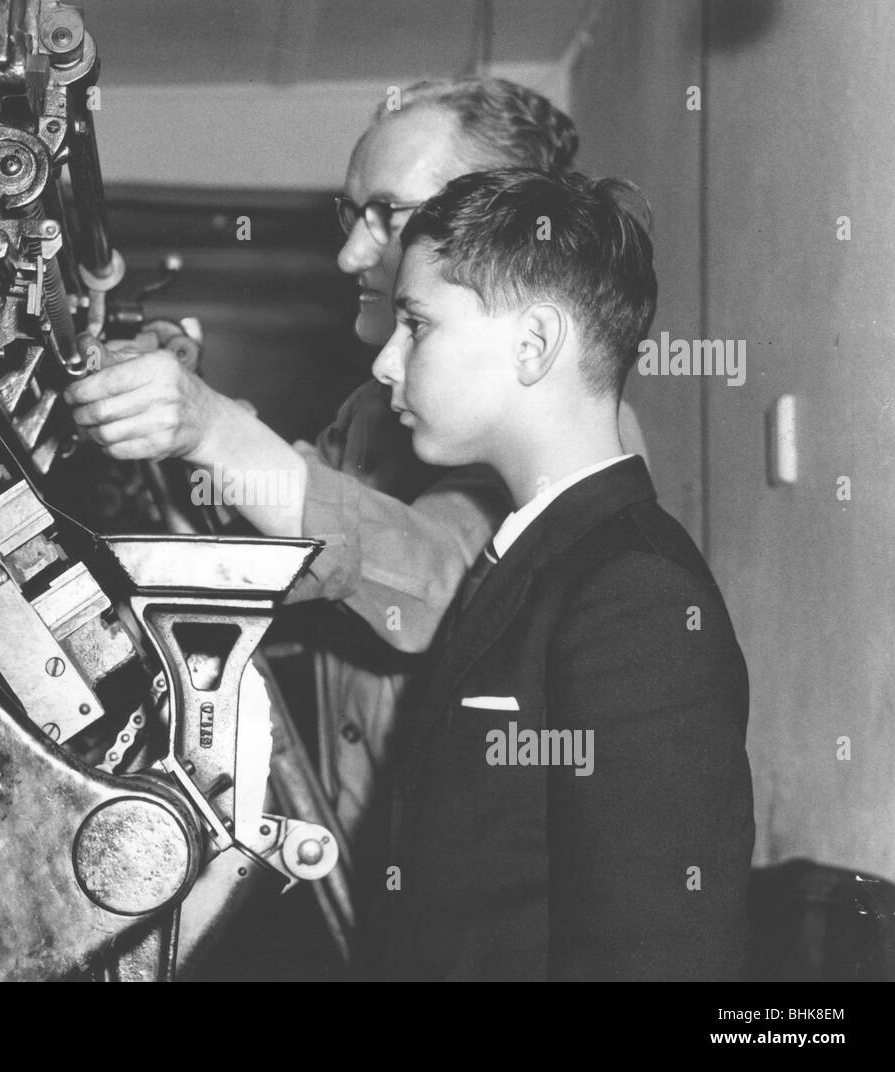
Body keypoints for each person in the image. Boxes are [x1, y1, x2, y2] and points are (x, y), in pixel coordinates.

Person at [64, 79, 645, 855]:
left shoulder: (569, 441)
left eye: (389, 215)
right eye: (351, 213)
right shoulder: (377, 413)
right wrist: (190, 414)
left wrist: (212, 428)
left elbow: (434, 585)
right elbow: (296, 540)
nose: (349, 254)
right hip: (374, 858)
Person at [372, 168, 754, 980]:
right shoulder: (535, 556)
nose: (384, 361)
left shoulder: (634, 595)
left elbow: (660, 956)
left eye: (415, 326)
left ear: (534, 344)